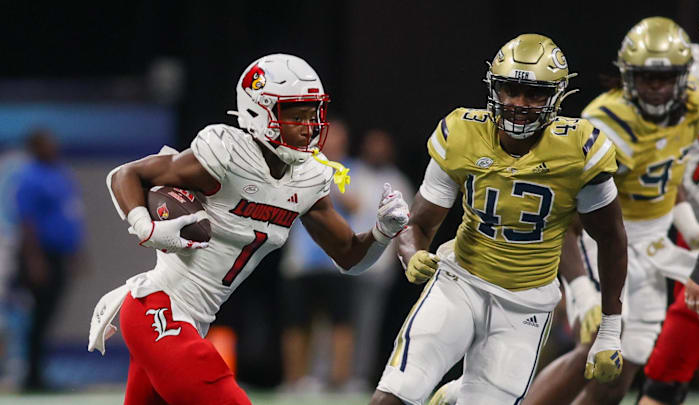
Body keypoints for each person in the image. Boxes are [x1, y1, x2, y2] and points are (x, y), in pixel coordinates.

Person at [87, 54, 410, 405]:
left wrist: (381, 232)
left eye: (312, 113)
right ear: (260, 112)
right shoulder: (226, 154)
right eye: (295, 114)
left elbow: (351, 258)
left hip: (191, 320)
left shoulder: (309, 179)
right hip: (159, 309)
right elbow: (125, 175)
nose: (309, 125)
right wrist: (146, 228)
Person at [369, 34, 627, 405]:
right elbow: (420, 223)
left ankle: (456, 397)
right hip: (461, 282)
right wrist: (412, 256)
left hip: (527, 304)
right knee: (397, 393)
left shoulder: (581, 150)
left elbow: (612, 239)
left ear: (557, 96)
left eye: (534, 93)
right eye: (510, 90)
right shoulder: (461, 133)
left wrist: (609, 329)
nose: (519, 104)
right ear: (494, 88)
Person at [639, 3, 699, 404]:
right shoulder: (686, 72)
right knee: (665, 364)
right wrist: (695, 237)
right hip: (691, 238)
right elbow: (654, 157)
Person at [278, 119, 355, 392]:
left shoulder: (349, 169)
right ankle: (294, 382)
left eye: (340, 139)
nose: (335, 143)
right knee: (297, 323)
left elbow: (355, 204)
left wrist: (331, 180)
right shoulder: (302, 166)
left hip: (336, 261)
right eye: (331, 138)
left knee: (341, 323)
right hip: (301, 262)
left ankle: (339, 382)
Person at [16, 129, 86, 391]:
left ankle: (39, 373)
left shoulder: (60, 173)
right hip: (41, 256)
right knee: (38, 317)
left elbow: (69, 214)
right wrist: (34, 261)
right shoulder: (30, 178)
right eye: (47, 143)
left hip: (60, 255)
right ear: (36, 147)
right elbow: (28, 222)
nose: (54, 146)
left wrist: (77, 252)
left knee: (50, 316)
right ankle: (31, 376)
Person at [346, 129, 414, 392]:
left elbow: (407, 228)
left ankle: (358, 376)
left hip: (379, 267)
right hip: (344, 261)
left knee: (367, 322)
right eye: (373, 145)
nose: (377, 151)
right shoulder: (350, 173)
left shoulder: (399, 181)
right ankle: (323, 375)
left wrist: (401, 261)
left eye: (382, 146)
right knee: (338, 322)